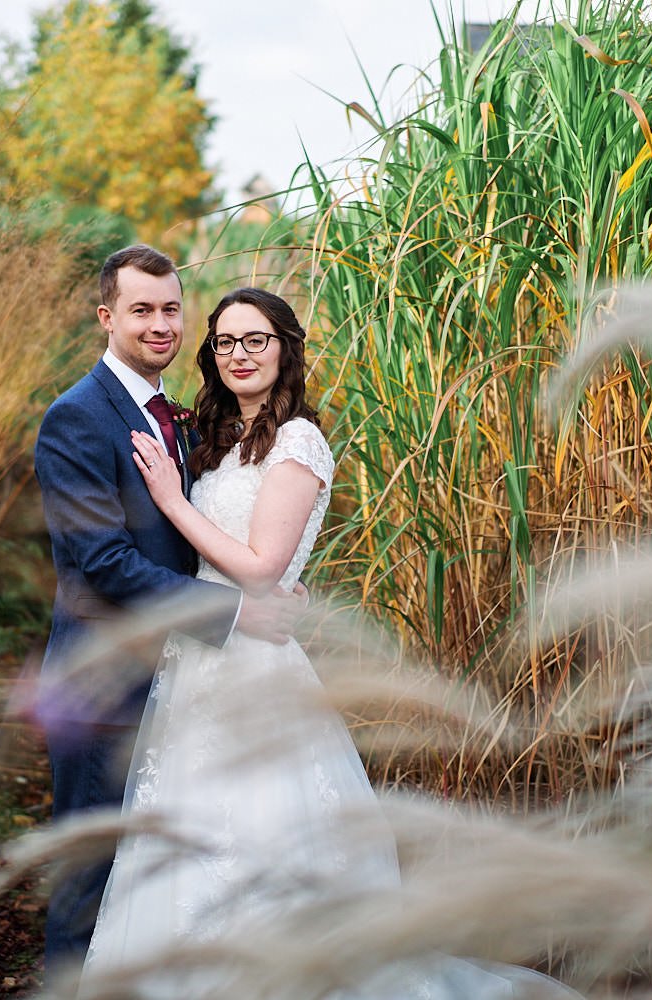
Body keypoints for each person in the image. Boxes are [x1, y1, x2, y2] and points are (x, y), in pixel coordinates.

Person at [81, 287, 578, 998]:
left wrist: (171, 501)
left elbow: (258, 567)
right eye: (225, 342)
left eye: (256, 340)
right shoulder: (216, 441)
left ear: (285, 348)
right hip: (197, 663)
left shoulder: (298, 440)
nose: (239, 355)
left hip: (252, 667)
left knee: (259, 837)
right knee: (182, 840)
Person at [33, 246, 305, 974]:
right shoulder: (77, 419)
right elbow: (103, 565)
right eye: (142, 310)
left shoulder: (176, 417)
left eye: (171, 309)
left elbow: (212, 534)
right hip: (108, 685)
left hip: (186, 685)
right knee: (90, 873)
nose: (161, 325)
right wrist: (235, 613)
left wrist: (268, 583)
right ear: (107, 316)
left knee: (156, 881)